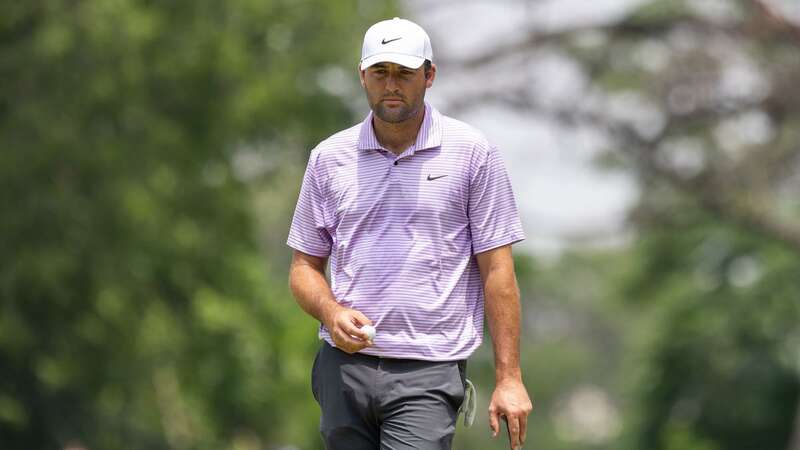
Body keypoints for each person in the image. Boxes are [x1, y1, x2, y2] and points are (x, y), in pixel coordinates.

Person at [287, 16, 532, 450]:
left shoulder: (472, 153)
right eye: (380, 73)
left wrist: (509, 378)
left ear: (429, 75)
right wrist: (329, 311)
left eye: (404, 73)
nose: (392, 85)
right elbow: (304, 267)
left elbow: (497, 269)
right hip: (343, 367)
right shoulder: (329, 158)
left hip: (429, 370)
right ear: (363, 77)